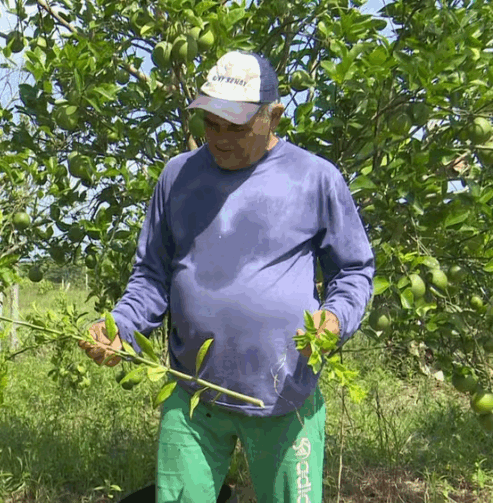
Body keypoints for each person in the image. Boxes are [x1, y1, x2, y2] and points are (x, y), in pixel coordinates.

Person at [79, 50, 375, 503]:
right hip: (193, 395)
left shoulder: (315, 178)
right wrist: (121, 329)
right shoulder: (178, 177)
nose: (219, 137)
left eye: (236, 126)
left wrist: (334, 318)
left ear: (273, 115)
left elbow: (353, 270)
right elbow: (151, 276)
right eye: (210, 123)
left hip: (283, 394)